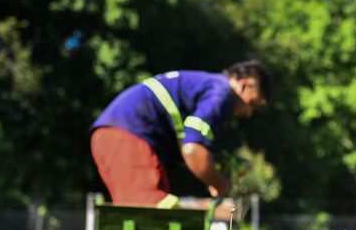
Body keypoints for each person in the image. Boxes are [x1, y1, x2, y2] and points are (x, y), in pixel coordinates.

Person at [90, 60, 270, 207]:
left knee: (142, 217)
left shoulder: (208, 87)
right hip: (128, 135)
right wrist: (220, 183)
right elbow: (193, 149)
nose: (248, 113)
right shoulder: (222, 93)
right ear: (245, 85)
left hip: (116, 135)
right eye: (252, 104)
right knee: (156, 213)